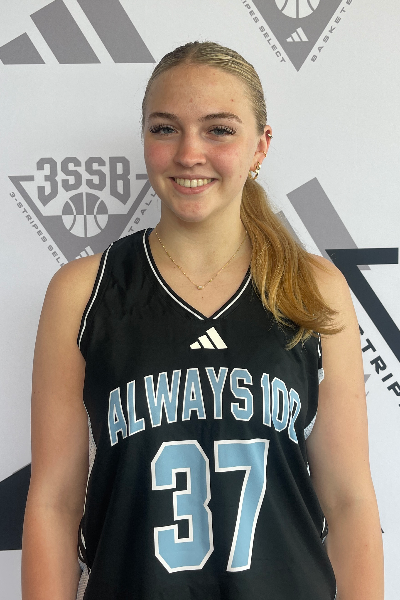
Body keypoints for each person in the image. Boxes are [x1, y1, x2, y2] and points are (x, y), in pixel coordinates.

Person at [22, 41, 383, 600]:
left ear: (261, 146)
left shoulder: (314, 288)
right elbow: (54, 501)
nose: (189, 153)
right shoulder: (83, 291)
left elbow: (349, 501)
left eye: (219, 130)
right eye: (165, 129)